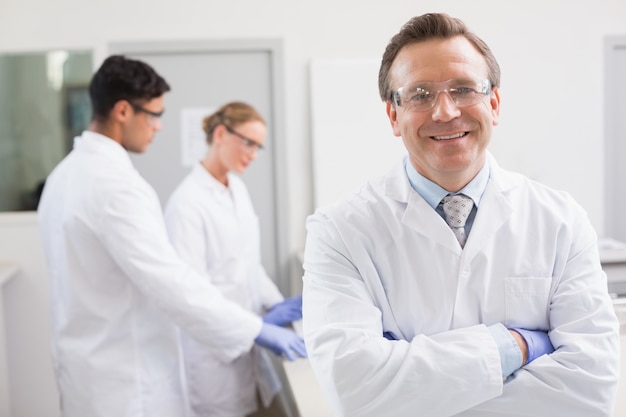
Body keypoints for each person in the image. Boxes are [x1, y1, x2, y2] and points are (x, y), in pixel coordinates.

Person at [302, 12, 620, 417]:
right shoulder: (340, 232)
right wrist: (515, 346)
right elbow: (354, 390)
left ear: (495, 102)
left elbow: (591, 389)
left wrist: (412, 390)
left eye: (464, 88)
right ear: (393, 116)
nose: (445, 111)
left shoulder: (560, 220)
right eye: (420, 93)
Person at [37, 55, 306, 417]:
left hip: (90, 375)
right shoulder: (116, 187)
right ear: (122, 111)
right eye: (154, 115)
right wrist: (256, 329)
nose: (159, 127)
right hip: (129, 384)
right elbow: (175, 285)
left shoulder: (64, 176)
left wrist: (268, 311)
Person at [163, 101, 303, 417]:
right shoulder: (186, 204)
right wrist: (256, 328)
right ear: (221, 134)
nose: (253, 154)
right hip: (214, 354)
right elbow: (191, 297)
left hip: (248, 345)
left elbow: (247, 263)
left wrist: (277, 305)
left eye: (258, 147)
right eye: (248, 143)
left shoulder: (237, 189)